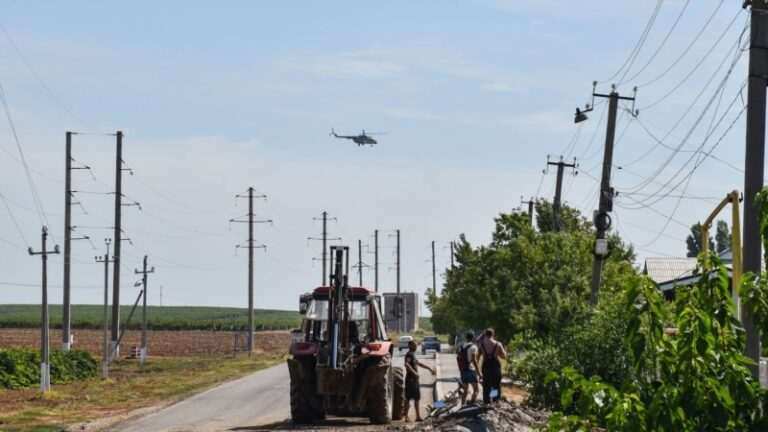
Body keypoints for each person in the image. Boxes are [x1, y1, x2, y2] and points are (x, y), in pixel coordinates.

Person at [404, 340, 436, 422]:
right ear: (410, 346)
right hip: (410, 380)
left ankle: (417, 416)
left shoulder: (413, 355)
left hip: (414, 380)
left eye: (416, 345)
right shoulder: (409, 354)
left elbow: (419, 363)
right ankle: (406, 417)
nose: (416, 347)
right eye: (414, 345)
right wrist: (415, 373)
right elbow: (406, 364)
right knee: (408, 399)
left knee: (417, 398)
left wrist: (429, 369)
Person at [479, 328, 506, 404]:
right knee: (495, 384)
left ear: (485, 334)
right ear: (493, 334)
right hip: (495, 366)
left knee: (486, 385)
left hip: (486, 366)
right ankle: (494, 400)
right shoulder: (498, 344)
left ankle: (486, 402)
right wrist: (498, 353)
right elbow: (504, 356)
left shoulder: (481, 344)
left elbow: (478, 356)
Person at [458, 331, 481, 405]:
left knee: (465, 390)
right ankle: (470, 405)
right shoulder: (474, 347)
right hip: (471, 370)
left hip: (463, 370)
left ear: (466, 338)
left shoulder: (461, 346)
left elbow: (458, 358)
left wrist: (461, 370)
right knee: (476, 390)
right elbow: (474, 360)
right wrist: (479, 372)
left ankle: (462, 406)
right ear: (473, 338)